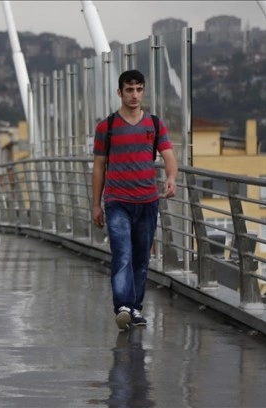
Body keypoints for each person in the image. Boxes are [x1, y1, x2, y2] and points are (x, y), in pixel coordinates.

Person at [91, 69, 177, 331]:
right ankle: (123, 307)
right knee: (123, 255)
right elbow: (98, 168)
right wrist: (96, 204)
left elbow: (169, 155)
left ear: (143, 91)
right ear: (120, 92)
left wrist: (171, 177)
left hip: (148, 201)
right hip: (117, 201)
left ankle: (135, 309)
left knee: (141, 259)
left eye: (139, 89)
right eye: (129, 90)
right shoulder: (107, 127)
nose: (134, 95)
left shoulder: (154, 123)